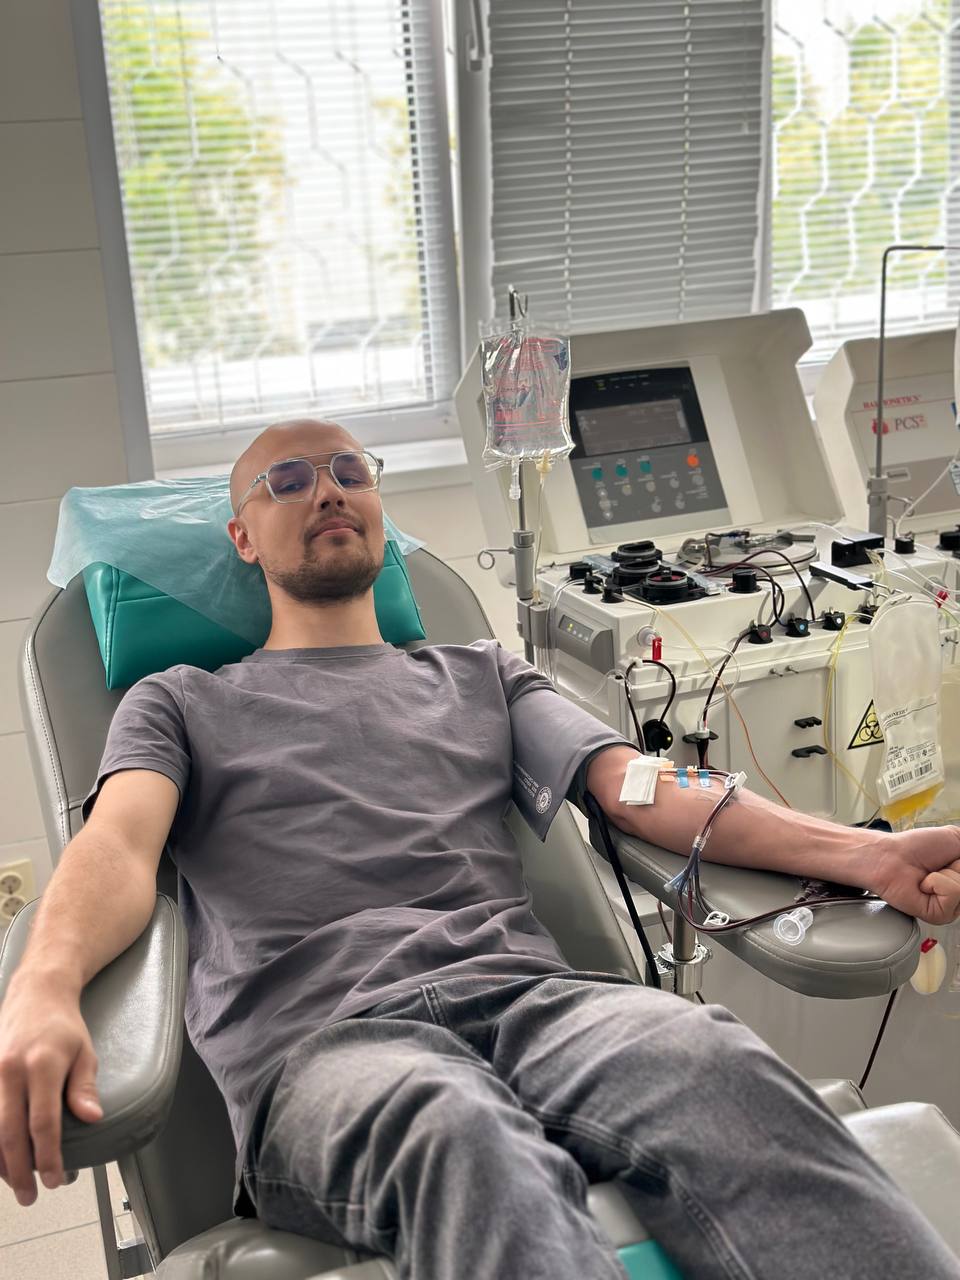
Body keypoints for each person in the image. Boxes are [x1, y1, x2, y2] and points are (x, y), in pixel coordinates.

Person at [2, 417, 960, 1280]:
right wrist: (41, 987)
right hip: (327, 1045)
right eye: (287, 481)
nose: (328, 490)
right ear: (242, 538)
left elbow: (642, 789)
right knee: (457, 1134)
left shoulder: (481, 674)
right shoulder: (180, 701)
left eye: (349, 472)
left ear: (379, 511)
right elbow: (117, 850)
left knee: (711, 1060)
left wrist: (865, 855)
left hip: (534, 1003)